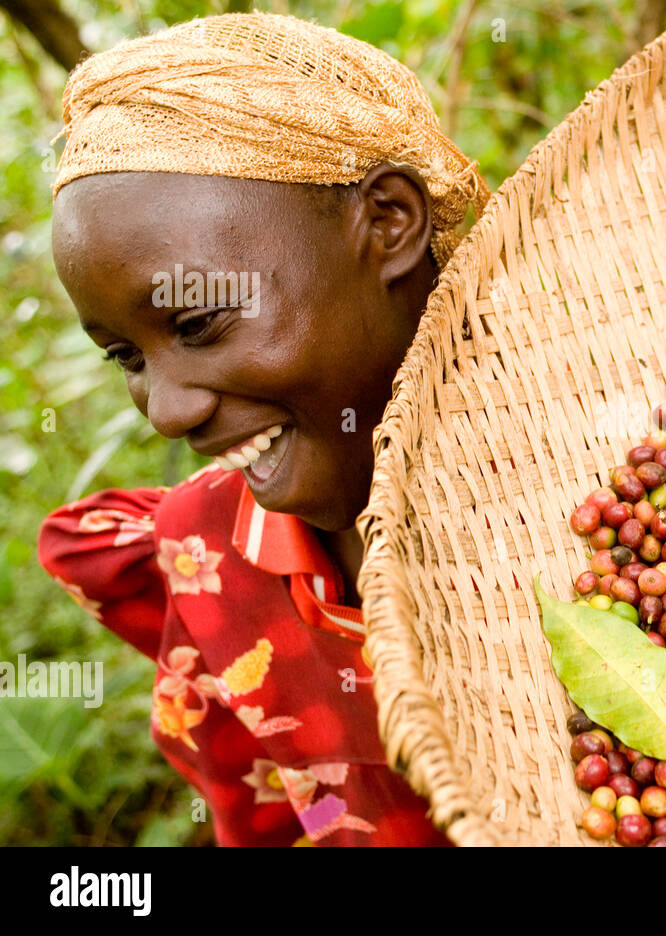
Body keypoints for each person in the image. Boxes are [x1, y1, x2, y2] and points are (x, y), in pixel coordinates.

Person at [37, 12, 489, 846]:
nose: (168, 411)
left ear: (388, 223)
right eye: (125, 358)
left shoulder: (620, 485)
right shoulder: (212, 566)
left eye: (200, 322)